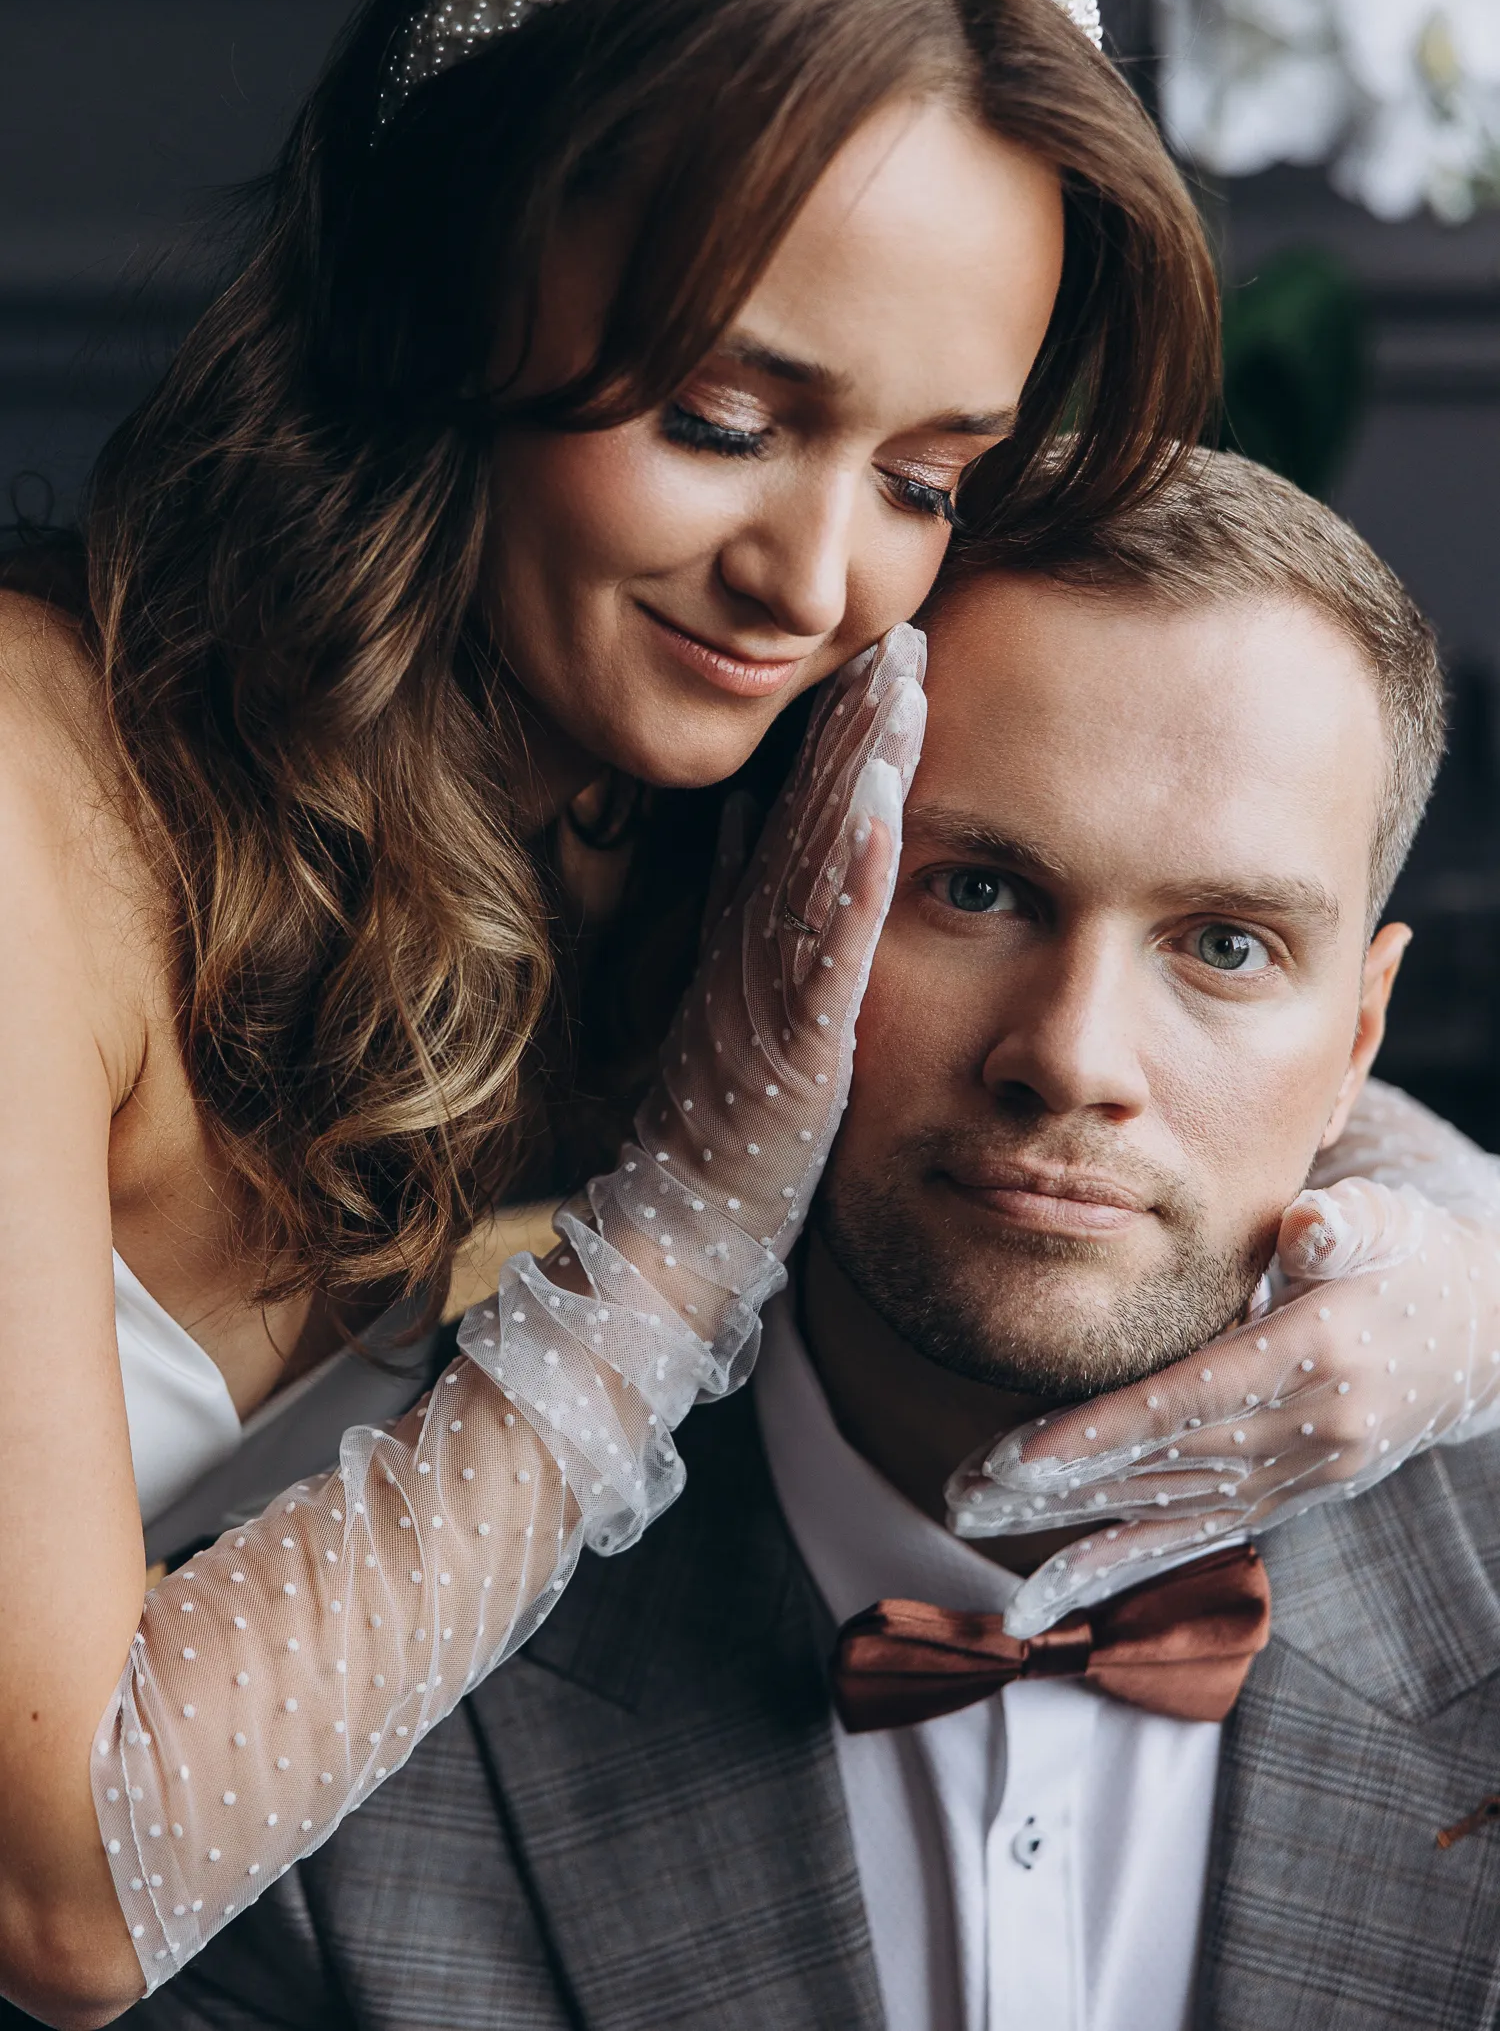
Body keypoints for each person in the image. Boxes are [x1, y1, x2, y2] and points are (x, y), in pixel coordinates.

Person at [0, 0, 1490, 2021]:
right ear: (450, 288)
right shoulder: (32, 796)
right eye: (720, 415)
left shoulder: (691, 771)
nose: (815, 582)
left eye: (922, 479)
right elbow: (69, 1901)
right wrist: (676, 1242)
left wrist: (1456, 1292)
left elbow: (1144, 988)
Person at [122, 449, 1500, 2031]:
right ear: (759, 911)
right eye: (975, 887)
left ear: (1359, 1038)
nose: (1076, 1054)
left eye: (1228, 944)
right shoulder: (302, 1723)